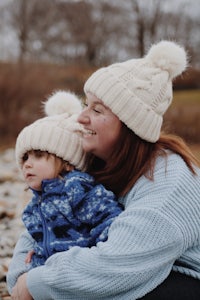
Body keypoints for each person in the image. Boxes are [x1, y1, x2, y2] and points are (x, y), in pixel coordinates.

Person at [7, 40, 200, 300]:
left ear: (132, 124)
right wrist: (21, 273)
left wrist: (40, 281)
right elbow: (42, 221)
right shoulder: (94, 164)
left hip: (179, 282)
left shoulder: (170, 180)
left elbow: (120, 262)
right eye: (86, 104)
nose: (81, 117)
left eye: (97, 109)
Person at [7, 90, 122, 277]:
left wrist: (93, 258)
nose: (27, 163)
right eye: (25, 157)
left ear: (67, 162)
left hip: (80, 275)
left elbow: (110, 223)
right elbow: (48, 238)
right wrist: (39, 252)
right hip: (51, 276)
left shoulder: (77, 190)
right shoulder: (34, 206)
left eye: (38, 156)